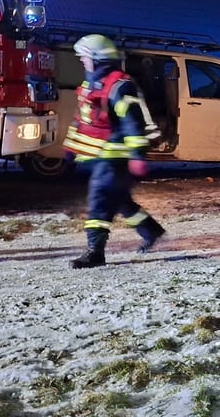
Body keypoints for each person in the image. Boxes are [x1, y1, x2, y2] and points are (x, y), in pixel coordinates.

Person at [63, 34, 165, 269]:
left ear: (97, 59)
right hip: (100, 156)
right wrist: (71, 147)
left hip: (116, 157)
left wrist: (137, 156)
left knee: (100, 199)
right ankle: (150, 230)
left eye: (84, 57)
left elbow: (133, 122)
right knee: (119, 199)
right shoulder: (92, 84)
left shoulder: (120, 86)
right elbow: (82, 120)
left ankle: (95, 253)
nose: (82, 61)